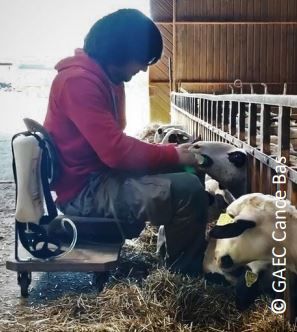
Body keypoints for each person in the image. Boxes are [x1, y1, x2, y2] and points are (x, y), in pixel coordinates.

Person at [44, 8, 208, 275]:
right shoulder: (78, 82)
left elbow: (114, 144)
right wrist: (175, 155)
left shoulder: (104, 78)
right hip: (86, 191)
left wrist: (174, 155)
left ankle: (171, 255)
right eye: (142, 59)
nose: (144, 68)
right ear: (120, 50)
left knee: (188, 172)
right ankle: (186, 277)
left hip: (99, 177)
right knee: (187, 189)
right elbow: (115, 152)